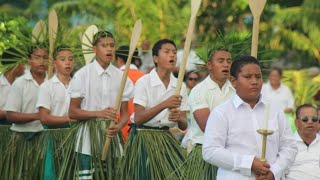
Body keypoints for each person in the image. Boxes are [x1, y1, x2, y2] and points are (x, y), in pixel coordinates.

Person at [203, 55, 297, 180]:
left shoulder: (274, 110)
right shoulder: (222, 112)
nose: (255, 81)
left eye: (258, 77)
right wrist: (249, 163)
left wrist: (274, 172)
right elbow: (210, 151)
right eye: (248, 77)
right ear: (233, 81)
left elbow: (289, 146)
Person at [118, 39, 188, 180]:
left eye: (174, 52)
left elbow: (184, 125)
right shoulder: (144, 81)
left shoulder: (180, 85)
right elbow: (138, 118)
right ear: (156, 58)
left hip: (166, 138)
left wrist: (178, 118)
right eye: (167, 52)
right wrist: (164, 104)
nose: (172, 56)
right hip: (142, 138)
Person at [68, 31, 134, 179]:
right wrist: (98, 113)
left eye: (111, 45)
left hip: (112, 140)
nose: (109, 49)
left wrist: (118, 127)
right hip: (86, 142)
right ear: (94, 49)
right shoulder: (82, 75)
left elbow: (124, 114)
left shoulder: (121, 77)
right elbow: (72, 112)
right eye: (104, 45)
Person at [182, 49, 234, 180]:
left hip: (231, 152)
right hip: (204, 152)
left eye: (229, 61)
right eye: (220, 61)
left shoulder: (236, 91)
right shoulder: (199, 91)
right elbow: (207, 126)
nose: (226, 65)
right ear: (209, 65)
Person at [3, 45, 48, 179]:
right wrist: (38, 116)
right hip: (22, 138)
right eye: (37, 57)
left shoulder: (52, 82)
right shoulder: (20, 83)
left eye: (45, 57)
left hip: (47, 138)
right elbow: (10, 115)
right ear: (29, 60)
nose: (41, 61)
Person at [36, 45, 76, 180]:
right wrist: (70, 119)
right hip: (53, 137)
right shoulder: (47, 87)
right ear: (54, 63)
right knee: (54, 173)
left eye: (70, 59)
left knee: (73, 173)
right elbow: (44, 118)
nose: (67, 62)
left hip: (75, 137)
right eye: (63, 59)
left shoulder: (78, 85)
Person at [115, 45, 144, 141]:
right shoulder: (146, 78)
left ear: (118, 59)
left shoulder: (114, 77)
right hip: (141, 133)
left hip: (116, 131)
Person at [285, 104, 320, 179]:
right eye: (305, 119)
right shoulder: (287, 143)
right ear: (296, 123)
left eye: (314, 119)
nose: (310, 122)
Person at [261, 67, 296, 132]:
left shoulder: (286, 90)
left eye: (275, 76)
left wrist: (282, 112)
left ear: (280, 77)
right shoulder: (263, 88)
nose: (273, 78)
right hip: (265, 120)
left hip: (283, 120)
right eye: (271, 75)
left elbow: (291, 107)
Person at [0, 47, 25, 124]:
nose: (24, 67)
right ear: (16, 65)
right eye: (23, 63)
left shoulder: (24, 82)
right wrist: (14, 115)